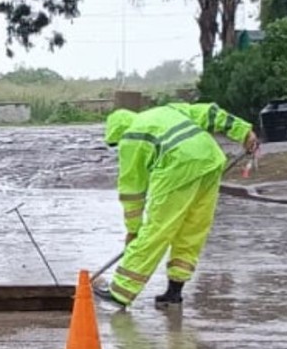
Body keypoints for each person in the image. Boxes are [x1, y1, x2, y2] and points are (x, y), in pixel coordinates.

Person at [97, 103, 259, 309]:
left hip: (177, 168)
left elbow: (132, 192)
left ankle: (121, 291)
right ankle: (174, 292)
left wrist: (133, 230)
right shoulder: (167, 110)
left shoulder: (129, 138)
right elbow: (209, 112)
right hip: (210, 161)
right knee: (192, 229)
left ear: (117, 134)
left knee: (156, 231)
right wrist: (244, 131)